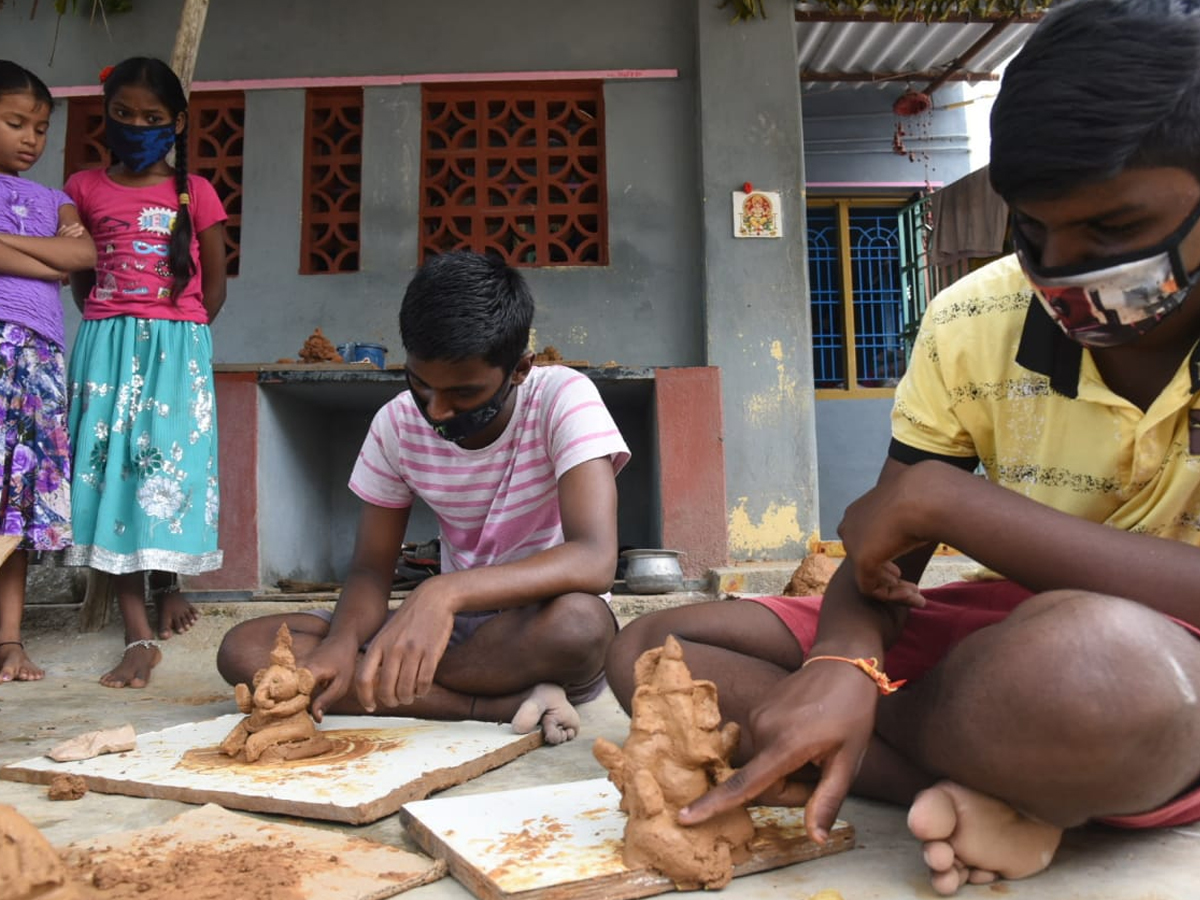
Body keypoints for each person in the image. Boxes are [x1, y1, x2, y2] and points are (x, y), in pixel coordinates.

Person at [605, 0, 1200, 894]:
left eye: (1112, 232)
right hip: (1017, 636)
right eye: (1032, 232)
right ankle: (1007, 782)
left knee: (1094, 678)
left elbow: (933, 508)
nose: (1062, 271)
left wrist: (958, 505)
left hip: (1137, 660)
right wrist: (847, 661)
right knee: (654, 654)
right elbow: (889, 557)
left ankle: (1017, 755)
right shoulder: (976, 318)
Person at [217, 250, 630, 744]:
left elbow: (594, 558)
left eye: (464, 394)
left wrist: (444, 592)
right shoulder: (395, 424)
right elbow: (371, 570)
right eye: (420, 384)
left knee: (580, 627)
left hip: (532, 626)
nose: (436, 410)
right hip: (453, 633)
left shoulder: (564, 398)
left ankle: (390, 683)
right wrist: (343, 644)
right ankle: (497, 706)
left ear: (519, 369)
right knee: (244, 649)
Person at [65, 57, 228, 689]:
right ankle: (137, 632)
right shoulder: (81, 187)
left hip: (178, 348)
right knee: (113, 473)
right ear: (105, 115)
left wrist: (175, 333)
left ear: (177, 123)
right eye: (123, 115)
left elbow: (213, 287)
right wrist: (117, 326)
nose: (136, 126)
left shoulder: (201, 193)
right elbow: (82, 276)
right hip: (105, 346)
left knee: (167, 470)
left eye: (152, 118)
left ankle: (170, 584)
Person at [0, 61, 97, 683]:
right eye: (15, 123)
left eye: (39, 127)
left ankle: (9, 641)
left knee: (17, 505)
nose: (32, 138)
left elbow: (82, 254)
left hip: (37, 357)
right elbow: (59, 258)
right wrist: (46, 259)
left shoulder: (54, 198)